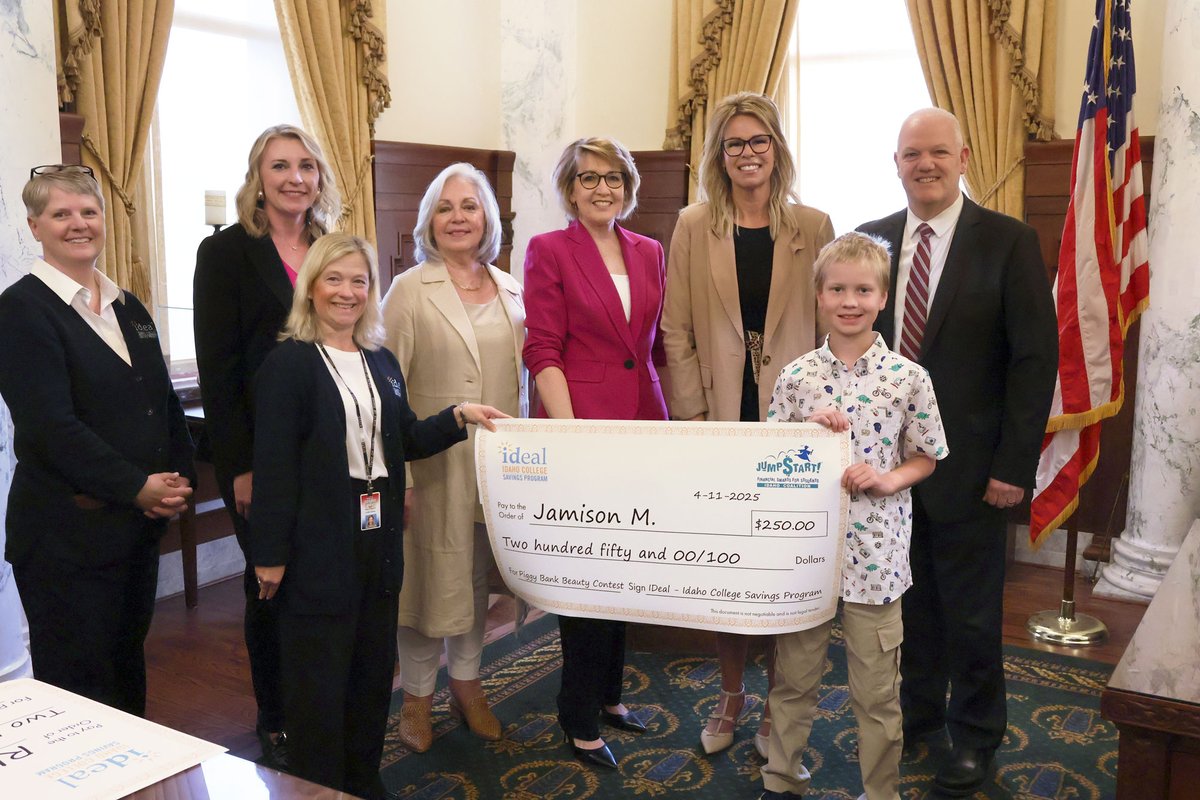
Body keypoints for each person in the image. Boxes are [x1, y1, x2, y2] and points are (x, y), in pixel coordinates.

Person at [249, 233, 506, 798]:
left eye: (359, 281)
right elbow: (272, 467)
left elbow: (404, 438)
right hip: (316, 546)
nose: (347, 292)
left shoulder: (381, 361)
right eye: (334, 279)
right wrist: (268, 556)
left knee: (369, 680)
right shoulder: (287, 364)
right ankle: (320, 787)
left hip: (378, 541)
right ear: (311, 288)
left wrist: (458, 415)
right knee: (319, 685)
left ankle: (364, 781)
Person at [856, 107, 1057, 796]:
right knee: (904, 610)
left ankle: (974, 738)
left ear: (964, 158)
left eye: (938, 152)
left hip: (973, 473)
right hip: (883, 476)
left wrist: (1013, 468)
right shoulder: (870, 243)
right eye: (912, 154)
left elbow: (1034, 362)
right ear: (898, 163)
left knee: (970, 616)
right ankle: (915, 716)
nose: (925, 165)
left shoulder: (1008, 241)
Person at [661, 90, 835, 756]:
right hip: (718, 423)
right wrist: (694, 418)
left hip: (792, 431)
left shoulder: (813, 226)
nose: (747, 154)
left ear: (777, 149)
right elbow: (676, 329)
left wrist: (822, 413)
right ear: (719, 155)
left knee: (779, 570)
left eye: (758, 141)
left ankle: (777, 705)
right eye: (734, 143)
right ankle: (731, 693)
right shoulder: (691, 224)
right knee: (727, 571)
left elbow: (831, 332)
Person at [758, 232, 947, 800]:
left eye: (863, 289)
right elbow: (768, 463)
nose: (850, 300)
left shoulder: (909, 378)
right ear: (819, 295)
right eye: (837, 288)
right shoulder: (796, 378)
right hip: (806, 556)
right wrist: (806, 435)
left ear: (882, 296)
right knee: (793, 682)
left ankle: (881, 790)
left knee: (876, 692)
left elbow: (927, 455)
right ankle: (781, 776)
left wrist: (889, 478)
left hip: (878, 558)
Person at [0, 165, 194, 715]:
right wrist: (137, 486)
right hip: (65, 539)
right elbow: (50, 429)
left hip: (133, 531)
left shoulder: (128, 307)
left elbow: (162, 400)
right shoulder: (19, 311)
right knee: (79, 692)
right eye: (61, 214)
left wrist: (180, 475)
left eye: (88, 211)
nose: (78, 223)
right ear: (36, 226)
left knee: (126, 668)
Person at [193, 124, 340, 767]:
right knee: (270, 584)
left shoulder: (332, 248)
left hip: (330, 452)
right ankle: (275, 715)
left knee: (321, 579)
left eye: (306, 166)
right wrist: (242, 469)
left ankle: (318, 702)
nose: (294, 178)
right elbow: (218, 373)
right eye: (280, 166)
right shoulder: (226, 253)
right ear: (259, 176)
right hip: (262, 456)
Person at [523, 137, 666, 769]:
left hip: (643, 423)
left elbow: (650, 347)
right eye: (588, 179)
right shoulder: (549, 250)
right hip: (581, 427)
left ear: (628, 186)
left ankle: (609, 696)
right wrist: (572, 432)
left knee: (628, 564)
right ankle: (577, 713)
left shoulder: (649, 251)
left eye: (613, 178)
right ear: (570, 188)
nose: (602, 189)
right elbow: (543, 348)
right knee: (588, 571)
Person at [381, 163, 527, 752]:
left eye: (469, 205)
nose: (458, 217)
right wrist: (406, 480)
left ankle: (469, 686)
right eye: (446, 207)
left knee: (472, 585)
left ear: (487, 217)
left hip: (496, 470)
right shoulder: (409, 291)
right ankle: (416, 701)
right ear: (429, 222)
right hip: (433, 465)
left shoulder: (511, 288)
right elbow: (389, 393)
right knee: (424, 586)